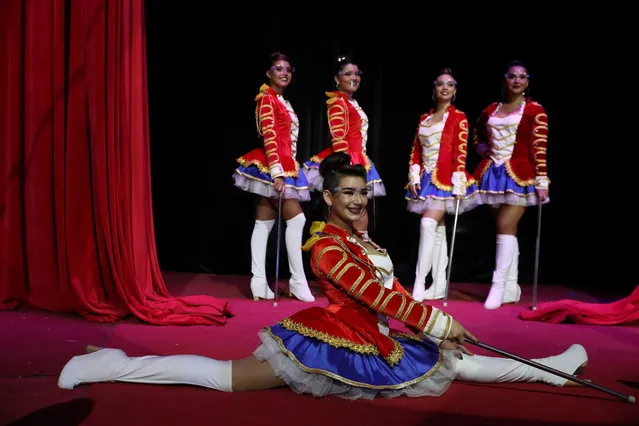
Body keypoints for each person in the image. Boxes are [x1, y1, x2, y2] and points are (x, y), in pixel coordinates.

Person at [58, 152, 588, 399]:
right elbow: (373, 293)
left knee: (459, 365)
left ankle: (551, 369)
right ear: (329, 197)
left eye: (363, 193)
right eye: (348, 194)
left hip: (376, 337)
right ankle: (118, 365)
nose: (359, 201)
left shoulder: (361, 238)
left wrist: (434, 325)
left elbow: (394, 291)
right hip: (331, 339)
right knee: (228, 379)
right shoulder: (325, 246)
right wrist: (437, 323)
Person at [232, 52, 314, 302]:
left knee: (263, 222)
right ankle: (298, 281)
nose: (284, 72)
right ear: (269, 73)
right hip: (274, 164)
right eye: (278, 68)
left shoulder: (280, 100)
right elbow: (269, 135)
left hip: (283, 162)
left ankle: (258, 281)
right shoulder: (267, 98)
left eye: (288, 69)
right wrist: (278, 173)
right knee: (297, 220)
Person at [472, 60, 549, 310]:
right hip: (493, 174)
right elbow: (479, 134)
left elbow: (539, 148)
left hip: (520, 174)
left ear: (527, 82)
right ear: (505, 79)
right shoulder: (491, 109)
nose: (517, 81)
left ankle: (497, 285)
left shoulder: (534, 111)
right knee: (504, 228)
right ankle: (511, 286)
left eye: (522, 77)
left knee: (506, 225)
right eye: (512, 76)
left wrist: (542, 179)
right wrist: (481, 147)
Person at [406, 68, 480, 302]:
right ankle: (438, 284)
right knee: (437, 231)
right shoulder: (424, 118)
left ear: (455, 90)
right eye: (440, 84)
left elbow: (460, 150)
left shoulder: (459, 117)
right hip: (427, 179)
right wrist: (414, 173)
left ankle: (419, 281)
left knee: (428, 223)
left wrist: (459, 180)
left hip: (447, 179)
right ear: (434, 88)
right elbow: (416, 150)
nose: (445, 88)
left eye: (450, 84)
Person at [303, 55, 385, 238]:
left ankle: (359, 256)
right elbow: (338, 137)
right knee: (347, 213)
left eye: (357, 74)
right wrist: (345, 167)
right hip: (348, 161)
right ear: (336, 79)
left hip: (359, 159)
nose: (354, 77)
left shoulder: (352, 102)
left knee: (360, 216)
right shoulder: (337, 102)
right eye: (348, 74)